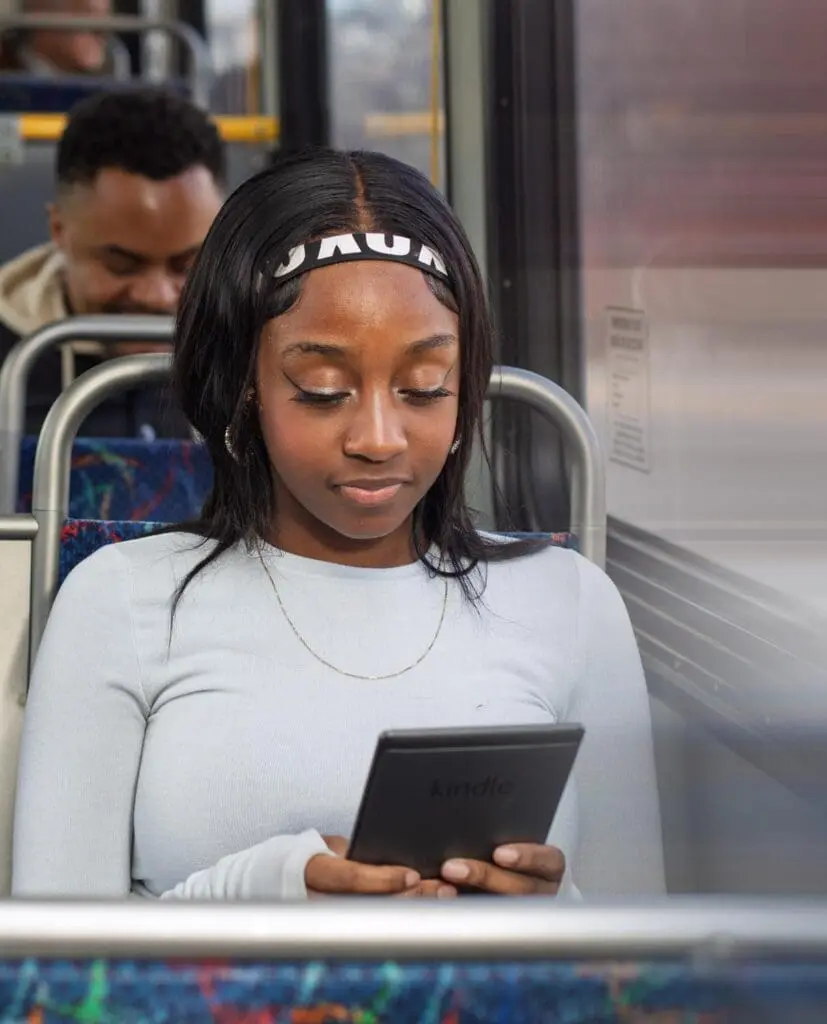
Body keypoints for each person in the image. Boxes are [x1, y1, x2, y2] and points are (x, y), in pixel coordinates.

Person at [11, 148, 665, 900]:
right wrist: (259, 892)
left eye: (424, 387)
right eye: (321, 389)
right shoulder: (121, 601)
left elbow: (639, 956)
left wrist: (549, 915)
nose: (379, 437)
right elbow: (55, 974)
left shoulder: (571, 603)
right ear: (242, 390)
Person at [0, 85, 225, 437]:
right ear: (59, 231)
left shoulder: (257, 350)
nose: (158, 296)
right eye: (122, 265)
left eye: (187, 266)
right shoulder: (11, 367)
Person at [0, 0, 123, 78]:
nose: (102, 30)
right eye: (86, 15)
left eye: (106, 17)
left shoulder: (114, 79)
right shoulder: (7, 70)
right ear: (41, 15)